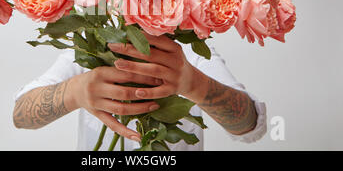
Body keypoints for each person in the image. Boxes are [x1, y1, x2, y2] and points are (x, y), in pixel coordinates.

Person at [13, 33, 267, 150]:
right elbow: (21, 115)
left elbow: (250, 125)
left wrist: (194, 84)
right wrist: (74, 92)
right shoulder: (88, 51)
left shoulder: (188, 56)